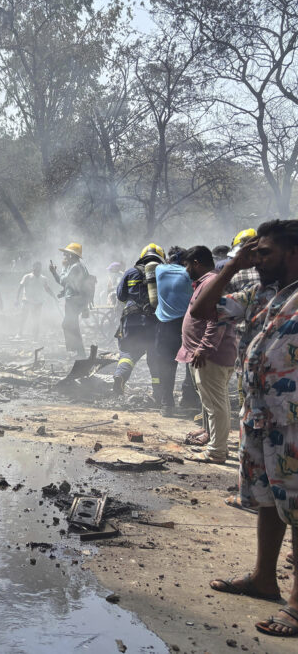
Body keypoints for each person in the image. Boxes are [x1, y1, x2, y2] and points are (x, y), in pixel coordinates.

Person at [190, 220, 298, 637]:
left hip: (292, 421)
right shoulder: (261, 293)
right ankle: (263, 579)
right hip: (259, 417)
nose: (258, 258)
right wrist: (233, 265)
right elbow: (201, 310)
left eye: (264, 252)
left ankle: (296, 604)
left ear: (293, 253)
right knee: (269, 503)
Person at [176, 246, 238, 464]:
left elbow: (217, 319)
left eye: (186, 265)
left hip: (210, 356)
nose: (185, 270)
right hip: (207, 355)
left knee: (216, 405)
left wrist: (204, 347)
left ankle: (217, 452)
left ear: (196, 263)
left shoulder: (211, 283)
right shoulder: (207, 282)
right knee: (215, 403)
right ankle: (215, 443)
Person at [153, 246, 202, 417]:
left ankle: (167, 404)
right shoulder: (188, 275)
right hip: (188, 324)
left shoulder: (159, 270)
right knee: (191, 362)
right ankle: (188, 398)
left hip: (165, 325)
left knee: (166, 364)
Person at [112, 244, 165, 397]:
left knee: (128, 353)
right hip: (154, 323)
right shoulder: (163, 273)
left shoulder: (130, 272)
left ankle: (120, 375)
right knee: (155, 357)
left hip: (131, 322)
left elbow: (121, 296)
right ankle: (158, 392)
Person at [49, 242, 90, 359]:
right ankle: (79, 353)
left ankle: (77, 351)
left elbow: (62, 281)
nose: (64, 257)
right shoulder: (76, 266)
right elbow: (69, 284)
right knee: (72, 325)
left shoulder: (75, 267)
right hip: (75, 299)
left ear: (71, 255)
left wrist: (60, 269)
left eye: (66, 255)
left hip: (74, 301)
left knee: (67, 324)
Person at [16, 261, 55, 340]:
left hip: (38, 302)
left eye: (39, 267)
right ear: (33, 268)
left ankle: (35, 336)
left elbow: (47, 289)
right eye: (36, 267)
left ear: (41, 268)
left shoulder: (43, 278)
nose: (37, 269)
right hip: (27, 301)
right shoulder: (27, 276)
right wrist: (16, 299)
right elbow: (20, 287)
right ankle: (19, 333)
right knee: (23, 318)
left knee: (36, 319)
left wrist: (54, 296)